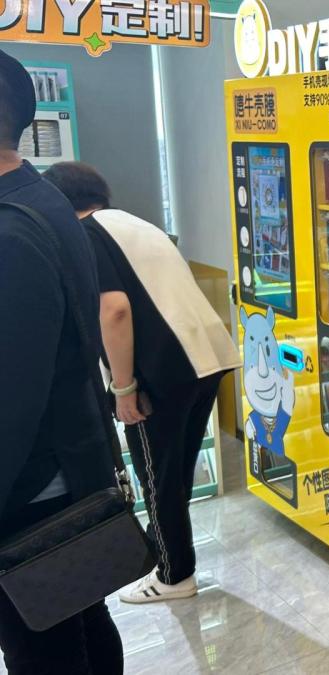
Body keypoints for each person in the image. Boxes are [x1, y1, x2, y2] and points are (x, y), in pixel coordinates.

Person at [43, 161, 241, 604]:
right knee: (173, 475)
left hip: (160, 374)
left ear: (59, 201)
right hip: (204, 359)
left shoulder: (86, 234)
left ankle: (174, 575)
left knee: (158, 479)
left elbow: (113, 310)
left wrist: (124, 388)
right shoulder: (136, 223)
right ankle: (166, 556)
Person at [0, 50, 125, 673]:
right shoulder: (42, 197)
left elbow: (10, 401)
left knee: (44, 650)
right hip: (67, 467)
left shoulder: (11, 231)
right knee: (83, 623)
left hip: (30, 492)